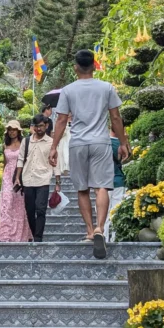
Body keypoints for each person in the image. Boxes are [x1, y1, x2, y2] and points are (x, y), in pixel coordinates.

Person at [49, 50, 130, 259]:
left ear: (75, 67)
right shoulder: (106, 88)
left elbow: (60, 120)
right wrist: (123, 143)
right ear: (94, 66)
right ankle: (100, 229)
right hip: (101, 142)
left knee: (82, 189)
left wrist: (53, 147)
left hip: (77, 143)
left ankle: (88, 230)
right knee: (102, 186)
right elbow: (116, 118)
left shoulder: (67, 90)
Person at [15, 114, 56, 242]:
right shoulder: (26, 141)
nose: (38, 129)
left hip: (43, 179)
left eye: (41, 126)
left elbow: (56, 162)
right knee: (30, 210)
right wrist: (17, 177)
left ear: (46, 126)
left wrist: (58, 181)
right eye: (36, 126)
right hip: (28, 179)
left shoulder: (51, 143)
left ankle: (38, 238)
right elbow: (20, 160)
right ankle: (33, 233)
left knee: (41, 209)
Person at [0, 120, 32, 242]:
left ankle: (21, 234)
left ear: (18, 131)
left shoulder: (24, 144)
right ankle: (6, 233)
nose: (12, 132)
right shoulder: (5, 145)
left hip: (20, 174)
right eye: (10, 130)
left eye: (14, 129)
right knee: (7, 200)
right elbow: (5, 162)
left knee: (19, 203)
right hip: (7, 175)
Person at [104, 126, 128, 242]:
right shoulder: (120, 145)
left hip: (103, 182)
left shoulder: (102, 143)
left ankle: (103, 235)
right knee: (115, 210)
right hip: (118, 180)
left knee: (103, 211)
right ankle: (114, 237)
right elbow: (125, 159)